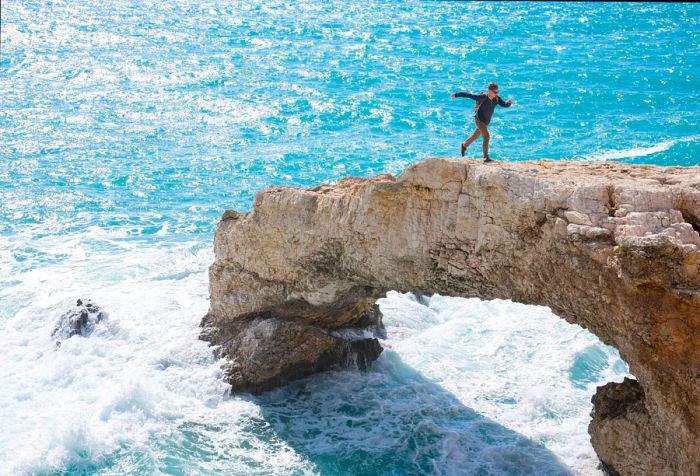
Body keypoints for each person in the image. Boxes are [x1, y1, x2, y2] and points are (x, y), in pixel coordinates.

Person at [451, 82, 513, 162]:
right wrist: (456, 95)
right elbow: (469, 95)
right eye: (495, 92)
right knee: (486, 136)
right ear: (490, 91)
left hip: (486, 122)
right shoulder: (483, 97)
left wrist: (509, 103)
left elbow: (504, 104)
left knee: (476, 135)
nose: (496, 93)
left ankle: (464, 145)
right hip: (479, 120)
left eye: (497, 92)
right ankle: (485, 157)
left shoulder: (497, 99)